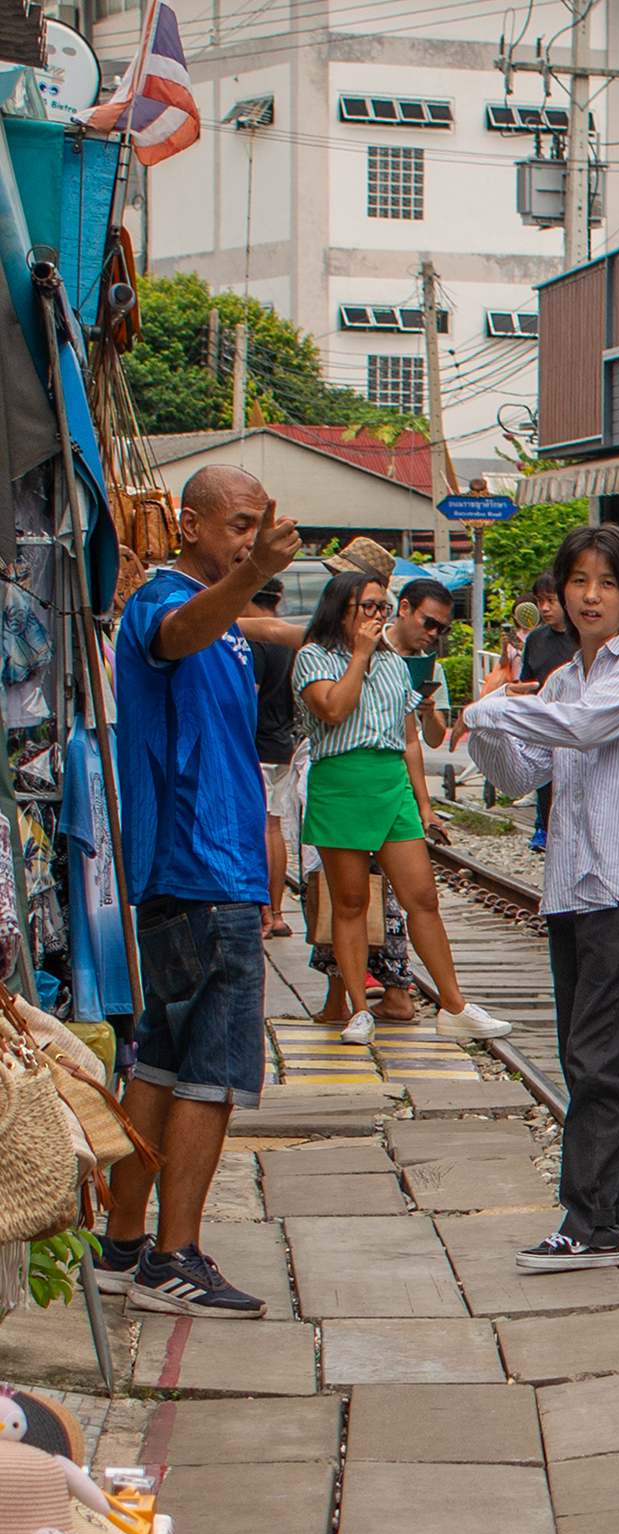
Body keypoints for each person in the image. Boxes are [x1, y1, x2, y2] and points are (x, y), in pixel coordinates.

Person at [95, 466, 304, 1319]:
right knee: (211, 1076)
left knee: (162, 1063)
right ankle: (173, 1259)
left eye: (259, 526)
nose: (250, 540)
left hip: (205, 869)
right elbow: (175, 634)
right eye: (239, 525)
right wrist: (253, 576)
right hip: (197, 867)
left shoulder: (224, 621)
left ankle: (122, 1244)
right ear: (190, 524)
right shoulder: (163, 604)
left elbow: (243, 629)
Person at [463, 525, 619, 1272]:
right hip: (572, 886)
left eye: (606, 584)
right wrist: (484, 723)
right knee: (592, 1056)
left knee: (594, 1056)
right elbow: (521, 776)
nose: (590, 596)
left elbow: (583, 731)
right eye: (578, 581)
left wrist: (490, 710)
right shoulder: (557, 682)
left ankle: (587, 1226)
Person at [292, 567, 512, 1047]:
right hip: (341, 781)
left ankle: (454, 1005)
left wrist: (423, 802)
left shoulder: (394, 663)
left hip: (389, 780)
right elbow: (333, 709)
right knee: (350, 903)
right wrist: (361, 655)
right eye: (367, 607)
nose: (376, 616)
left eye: (381, 608)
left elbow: (410, 735)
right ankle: (357, 1007)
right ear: (341, 608)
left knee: (422, 897)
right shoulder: (314, 656)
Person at [248, 578, 301, 938]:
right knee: (275, 828)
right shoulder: (286, 641)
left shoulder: (254, 641)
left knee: (261, 829)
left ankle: (264, 912)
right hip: (283, 745)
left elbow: (246, 701)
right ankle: (278, 912)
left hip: (257, 746)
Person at [514, 573, 578, 853]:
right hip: (543, 721)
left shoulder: (581, 637)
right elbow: (527, 680)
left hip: (574, 722)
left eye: (550, 601)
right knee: (544, 779)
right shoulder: (536, 639)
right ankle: (544, 827)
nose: (544, 608)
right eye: (540, 602)